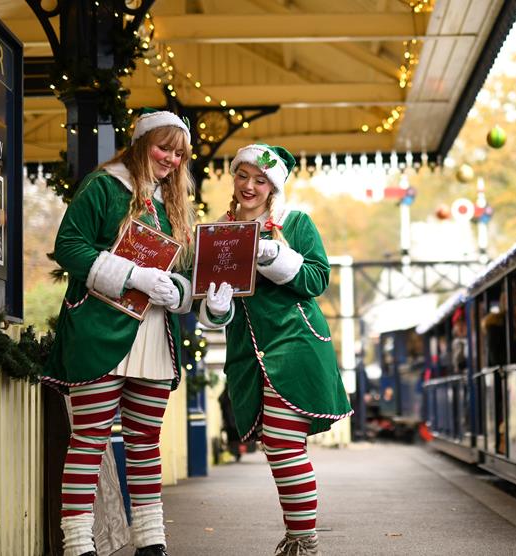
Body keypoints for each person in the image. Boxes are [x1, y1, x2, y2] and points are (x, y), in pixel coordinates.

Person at [42, 109, 196, 556]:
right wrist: (132, 276)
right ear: (140, 143)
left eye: (178, 153)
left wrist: (177, 290)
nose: (170, 159)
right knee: (89, 438)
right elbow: (69, 246)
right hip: (99, 329)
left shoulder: (172, 203)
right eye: (163, 147)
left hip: (152, 336)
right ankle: (77, 544)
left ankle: (152, 541)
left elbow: (183, 269)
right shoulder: (103, 186)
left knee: (145, 442)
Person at [197, 143, 352, 556]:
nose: (250, 186)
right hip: (249, 353)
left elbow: (318, 279)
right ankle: (297, 536)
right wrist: (214, 308)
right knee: (279, 447)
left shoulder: (294, 222)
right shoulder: (220, 231)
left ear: (272, 186)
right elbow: (208, 301)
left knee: (284, 443)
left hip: (294, 342)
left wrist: (275, 257)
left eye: (260, 179)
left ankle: (305, 541)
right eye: (243, 176)